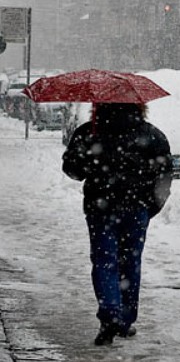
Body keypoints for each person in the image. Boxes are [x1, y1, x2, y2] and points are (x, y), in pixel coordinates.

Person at [62, 103, 172, 346]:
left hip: (101, 208)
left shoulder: (89, 133)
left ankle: (110, 311)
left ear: (98, 107)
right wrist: (151, 205)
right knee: (130, 261)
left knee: (104, 261)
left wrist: (92, 163)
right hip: (136, 208)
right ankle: (124, 318)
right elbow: (164, 174)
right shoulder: (151, 135)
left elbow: (72, 169)